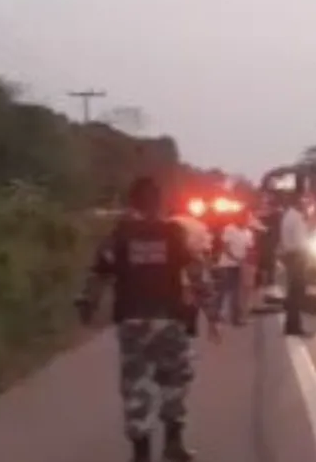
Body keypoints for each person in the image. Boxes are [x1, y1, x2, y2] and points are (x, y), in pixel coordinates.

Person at [75, 177, 221, 462]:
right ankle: (173, 443)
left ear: (132, 203)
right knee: (175, 380)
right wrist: (212, 314)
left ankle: (141, 455)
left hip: (132, 321)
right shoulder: (174, 234)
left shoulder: (119, 236)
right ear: (159, 203)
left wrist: (87, 306)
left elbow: (99, 274)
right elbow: (197, 274)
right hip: (169, 319)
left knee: (135, 384)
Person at [280, 191, 310, 336]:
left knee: (293, 293)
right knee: (297, 293)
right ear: (297, 202)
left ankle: (290, 325)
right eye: (303, 201)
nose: (305, 204)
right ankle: (294, 326)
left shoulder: (289, 216)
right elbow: (299, 242)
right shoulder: (296, 218)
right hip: (297, 256)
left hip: (291, 256)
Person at [213, 213, 252, 326]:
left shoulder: (248, 233)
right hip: (227, 264)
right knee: (223, 290)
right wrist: (234, 258)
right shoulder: (229, 229)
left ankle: (235, 318)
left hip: (239, 265)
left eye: (247, 219)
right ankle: (216, 313)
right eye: (243, 218)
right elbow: (225, 247)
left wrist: (245, 261)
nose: (245, 221)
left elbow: (249, 248)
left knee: (236, 292)